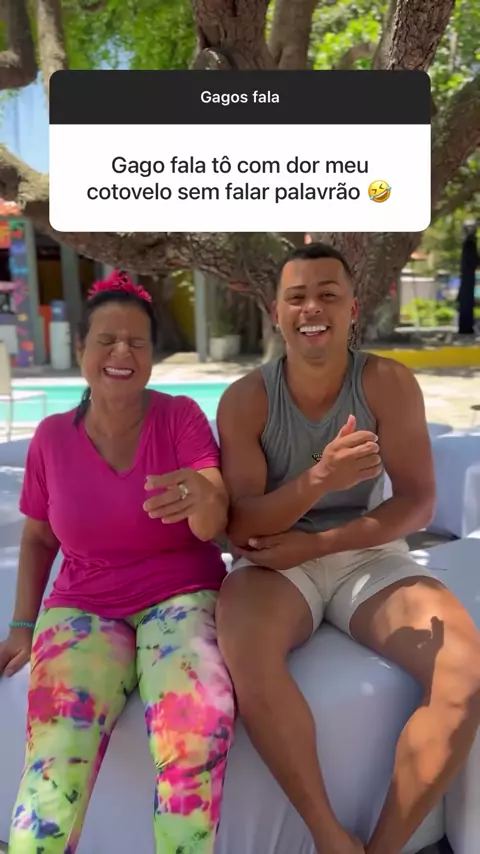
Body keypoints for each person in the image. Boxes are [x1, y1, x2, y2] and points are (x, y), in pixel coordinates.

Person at [216, 242, 480, 854]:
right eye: (297, 297)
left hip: (364, 549)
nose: (312, 308)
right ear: (276, 313)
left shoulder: (386, 383)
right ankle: (330, 837)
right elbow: (240, 526)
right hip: (273, 558)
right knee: (249, 659)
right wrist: (318, 480)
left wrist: (319, 543)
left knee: (463, 674)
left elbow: (416, 503)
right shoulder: (247, 399)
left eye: (328, 295)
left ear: (353, 309)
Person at [0, 271, 235, 854]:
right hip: (84, 603)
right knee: (57, 753)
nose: (122, 353)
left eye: (137, 342)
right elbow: (38, 538)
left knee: (195, 728)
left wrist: (205, 498)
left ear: (153, 354)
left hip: (181, 594)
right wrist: (22, 626)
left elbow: (213, 521)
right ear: (82, 348)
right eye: (106, 340)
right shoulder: (51, 438)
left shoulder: (180, 417)